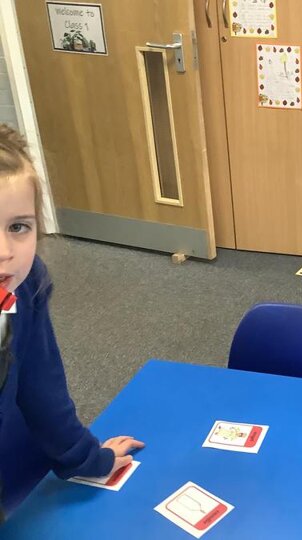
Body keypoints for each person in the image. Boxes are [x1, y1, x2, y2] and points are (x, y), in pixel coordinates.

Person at [0, 124, 144, 520]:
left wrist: (90, 459)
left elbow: (42, 389)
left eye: (18, 227)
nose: (5, 252)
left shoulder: (25, 283)